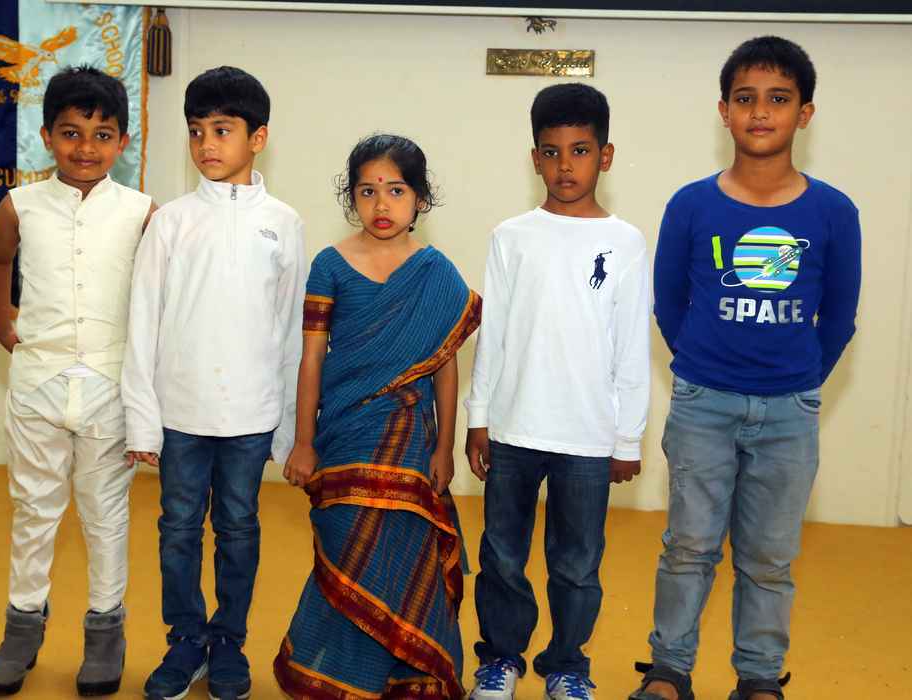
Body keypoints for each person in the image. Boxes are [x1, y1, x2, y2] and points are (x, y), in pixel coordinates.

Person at [628, 36, 861, 700]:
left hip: (790, 412)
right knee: (689, 546)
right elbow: (669, 301)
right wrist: (702, 365)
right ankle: (669, 670)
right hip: (703, 403)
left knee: (769, 557)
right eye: (746, 98)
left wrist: (799, 379)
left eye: (779, 99)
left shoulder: (834, 212)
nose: (761, 112)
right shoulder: (692, 205)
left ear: (804, 114)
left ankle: (759, 677)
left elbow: (839, 317)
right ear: (724, 111)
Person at [273, 134, 481, 699]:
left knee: (405, 551)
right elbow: (312, 357)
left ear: (420, 199)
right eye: (367, 192)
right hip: (344, 432)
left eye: (396, 190)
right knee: (348, 547)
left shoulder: (436, 272)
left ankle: (409, 672)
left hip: (411, 434)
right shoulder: (330, 265)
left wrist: (444, 448)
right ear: (352, 198)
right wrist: (303, 441)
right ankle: (343, 675)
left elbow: (444, 367)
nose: (381, 204)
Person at [121, 66, 306, 700]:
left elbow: (290, 329)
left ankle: (228, 642)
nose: (206, 144)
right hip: (180, 414)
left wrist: (288, 426)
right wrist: (142, 419)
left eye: (222, 130)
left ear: (259, 137)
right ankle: (184, 640)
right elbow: (143, 322)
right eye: (196, 131)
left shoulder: (283, 222)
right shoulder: (171, 221)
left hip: (251, 417)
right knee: (177, 530)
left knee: (238, 529)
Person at [465, 83, 650, 700]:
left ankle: (567, 663)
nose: (565, 165)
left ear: (606, 155)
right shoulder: (511, 236)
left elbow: (631, 346)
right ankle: (500, 658)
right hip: (514, 428)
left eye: (580, 150)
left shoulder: (626, 242)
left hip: (588, 437)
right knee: (502, 556)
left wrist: (627, 437)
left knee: (576, 564)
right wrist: (479, 416)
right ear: (534, 158)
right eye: (551, 152)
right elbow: (494, 333)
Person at [0, 65, 155, 697]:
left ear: (123, 141)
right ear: (47, 136)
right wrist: (4, 325)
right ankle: (21, 628)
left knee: (105, 514)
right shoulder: (20, 204)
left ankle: (105, 631)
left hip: (110, 384)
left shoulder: (141, 211)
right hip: (39, 385)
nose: (86, 148)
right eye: (71, 132)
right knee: (34, 509)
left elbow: (157, 293)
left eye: (102, 135)